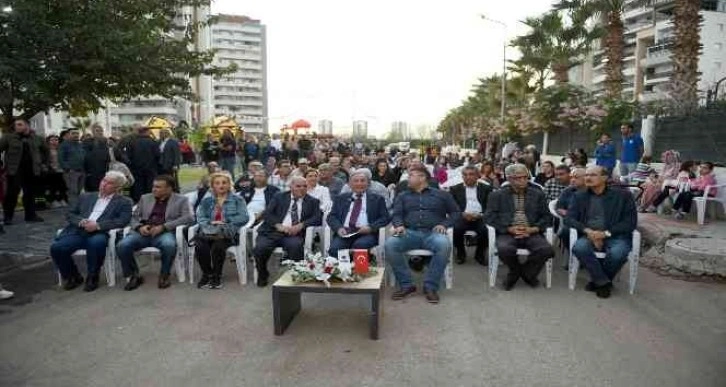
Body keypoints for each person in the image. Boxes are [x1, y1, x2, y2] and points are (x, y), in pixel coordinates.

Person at [385, 165, 461, 304]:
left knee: (444, 244)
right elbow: (396, 214)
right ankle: (407, 285)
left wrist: (444, 224)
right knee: (390, 244)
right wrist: (399, 225)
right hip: (409, 232)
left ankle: (430, 286)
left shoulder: (442, 195)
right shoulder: (403, 196)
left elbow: (456, 213)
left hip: (433, 233)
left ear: (422, 177)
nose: (407, 179)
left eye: (410, 176)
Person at [50, 171, 133, 292]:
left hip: (100, 232)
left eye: (109, 183)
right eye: (104, 180)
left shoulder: (124, 201)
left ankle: (92, 276)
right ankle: (72, 276)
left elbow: (122, 221)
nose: (104, 184)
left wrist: (98, 226)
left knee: (96, 244)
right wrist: (81, 221)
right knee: (57, 248)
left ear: (118, 187)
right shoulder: (86, 196)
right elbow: (70, 213)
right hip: (78, 231)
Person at [566, 166, 637, 298]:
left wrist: (604, 234)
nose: (587, 178)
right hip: (590, 235)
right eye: (586, 175)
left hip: (615, 235)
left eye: (593, 175)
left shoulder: (623, 196)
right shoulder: (579, 196)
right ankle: (603, 282)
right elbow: (569, 219)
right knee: (579, 248)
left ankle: (597, 280)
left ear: (605, 178)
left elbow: (630, 222)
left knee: (618, 253)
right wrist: (588, 231)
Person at [484, 163, 554, 291]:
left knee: (546, 250)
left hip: (531, 231)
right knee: (505, 249)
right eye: (518, 178)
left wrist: (533, 229)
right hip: (508, 232)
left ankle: (525, 273)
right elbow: (489, 217)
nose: (523, 180)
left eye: (525, 177)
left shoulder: (537, 194)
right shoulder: (497, 195)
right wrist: (508, 229)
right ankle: (517, 271)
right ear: (509, 179)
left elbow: (547, 217)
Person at [116, 175, 193, 290]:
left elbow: (188, 217)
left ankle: (164, 275)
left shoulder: (181, 200)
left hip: (165, 232)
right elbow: (133, 217)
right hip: (144, 231)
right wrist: (139, 227)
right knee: (122, 245)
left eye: (158, 187)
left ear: (169, 188)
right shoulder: (145, 198)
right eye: (153, 186)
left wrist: (164, 227)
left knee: (169, 245)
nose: (154, 189)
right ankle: (134, 275)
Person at [253, 176, 322, 287]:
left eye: (305, 186)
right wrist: (278, 225)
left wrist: (301, 225)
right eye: (298, 186)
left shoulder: (313, 201)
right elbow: (267, 213)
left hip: (293, 234)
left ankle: (296, 274)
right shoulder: (279, 197)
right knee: (260, 249)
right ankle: (263, 273)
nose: (302, 189)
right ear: (291, 187)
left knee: (295, 246)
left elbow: (318, 217)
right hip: (272, 231)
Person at [194, 172, 249, 289]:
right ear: (213, 186)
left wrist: (225, 220)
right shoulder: (207, 200)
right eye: (217, 183)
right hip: (208, 231)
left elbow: (244, 217)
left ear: (230, 185)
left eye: (224, 183)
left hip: (227, 232)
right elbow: (200, 217)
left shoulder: (238, 199)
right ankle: (207, 274)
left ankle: (216, 276)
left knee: (218, 246)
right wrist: (210, 222)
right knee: (199, 245)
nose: (221, 185)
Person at [327, 169, 390, 257]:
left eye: (362, 181)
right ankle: (342, 269)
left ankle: (359, 269)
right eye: (356, 181)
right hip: (345, 232)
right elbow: (331, 216)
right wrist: (338, 228)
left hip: (367, 233)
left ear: (368, 183)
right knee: (335, 249)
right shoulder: (341, 198)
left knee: (360, 246)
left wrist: (370, 227)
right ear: (349, 184)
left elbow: (385, 217)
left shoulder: (377, 199)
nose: (359, 184)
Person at [0, 118, 47, 224]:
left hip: (32, 170)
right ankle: (8, 217)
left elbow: (45, 151)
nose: (17, 126)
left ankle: (30, 216)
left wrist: (42, 163)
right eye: (16, 125)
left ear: (27, 125)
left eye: (20, 124)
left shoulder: (36, 138)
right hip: (14, 170)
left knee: (30, 193)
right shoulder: (8, 137)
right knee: (12, 194)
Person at [449, 165, 492, 265]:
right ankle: (461, 252)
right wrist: (462, 214)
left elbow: (490, 206)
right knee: (457, 228)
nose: (468, 177)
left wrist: (481, 215)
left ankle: (479, 254)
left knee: (485, 230)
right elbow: (452, 207)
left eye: (471, 174)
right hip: (462, 216)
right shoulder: (455, 189)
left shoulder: (486, 188)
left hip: (480, 216)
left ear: (477, 176)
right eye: (465, 174)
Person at [123, 126, 160, 202]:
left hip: (136, 168)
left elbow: (128, 155)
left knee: (138, 186)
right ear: (146, 132)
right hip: (151, 168)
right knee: (150, 185)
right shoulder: (153, 142)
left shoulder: (132, 142)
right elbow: (158, 155)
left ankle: (138, 201)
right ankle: (150, 200)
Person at [58, 129, 85, 206]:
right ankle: (73, 209)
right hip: (71, 172)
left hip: (82, 171)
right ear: (69, 135)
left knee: (79, 191)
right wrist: (68, 169)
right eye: (73, 133)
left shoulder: (80, 144)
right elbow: (61, 158)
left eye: (77, 133)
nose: (76, 135)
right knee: (73, 191)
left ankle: (77, 207)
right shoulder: (64, 145)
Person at [82, 124, 111, 192]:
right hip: (91, 171)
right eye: (97, 131)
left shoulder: (105, 142)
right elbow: (85, 157)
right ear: (93, 132)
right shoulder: (87, 142)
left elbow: (108, 156)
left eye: (101, 131)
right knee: (92, 190)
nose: (99, 132)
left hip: (103, 170)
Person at [46, 135, 68, 208]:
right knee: (53, 187)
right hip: (51, 172)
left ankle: (61, 199)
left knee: (61, 187)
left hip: (61, 171)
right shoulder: (47, 151)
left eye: (56, 140)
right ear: (48, 141)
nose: (54, 141)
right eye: (52, 140)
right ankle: (52, 201)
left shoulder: (60, 150)